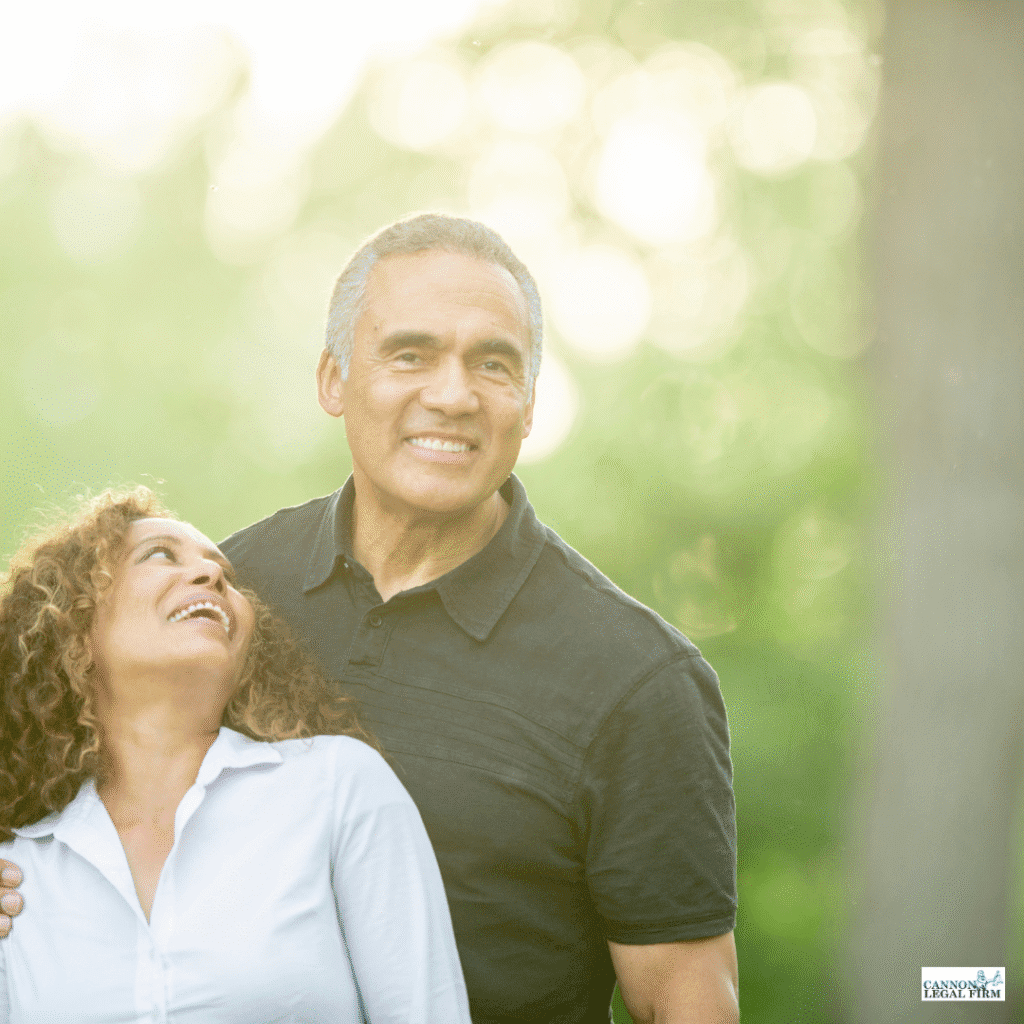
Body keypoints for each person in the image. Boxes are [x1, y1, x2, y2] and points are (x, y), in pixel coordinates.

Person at [2, 212, 738, 1022]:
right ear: (333, 379)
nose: (452, 395)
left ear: (528, 406)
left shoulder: (635, 680)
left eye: (493, 365)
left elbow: (687, 1002)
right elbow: (55, 750)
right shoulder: (232, 596)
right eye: (410, 354)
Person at [0, 488, 470, 1022]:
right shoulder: (21, 864)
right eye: (159, 555)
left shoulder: (336, 785)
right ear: (73, 623)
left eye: (226, 573)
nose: (211, 575)